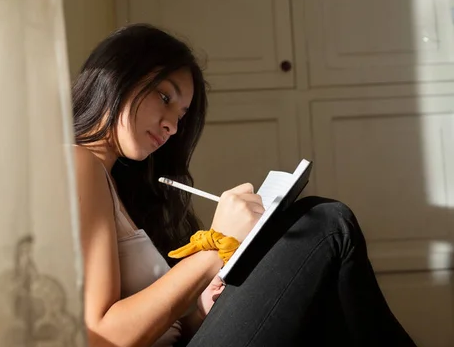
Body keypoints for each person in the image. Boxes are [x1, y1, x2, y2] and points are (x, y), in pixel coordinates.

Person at [71, 23, 416, 347]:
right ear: (120, 76)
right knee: (326, 223)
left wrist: (201, 305)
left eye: (181, 115)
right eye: (165, 97)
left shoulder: (114, 183)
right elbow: (101, 336)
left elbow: (161, 322)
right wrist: (215, 248)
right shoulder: (78, 162)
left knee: (320, 275)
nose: (173, 127)